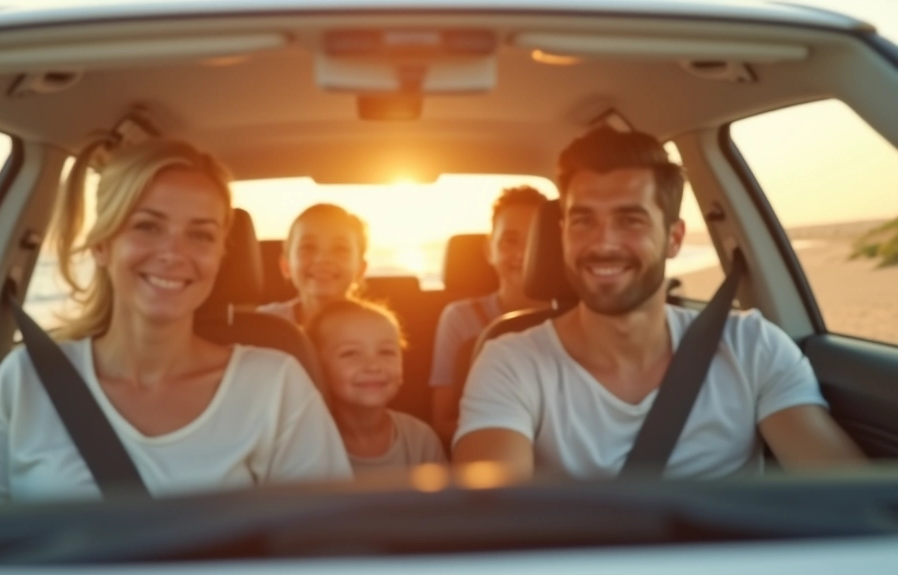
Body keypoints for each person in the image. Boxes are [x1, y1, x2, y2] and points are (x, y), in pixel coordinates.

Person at [452, 127, 866, 480]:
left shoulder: (752, 347)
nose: (604, 243)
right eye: (584, 221)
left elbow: (849, 499)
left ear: (674, 238)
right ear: (562, 234)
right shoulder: (510, 362)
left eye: (630, 220)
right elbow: (490, 519)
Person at [0, 139, 352, 503]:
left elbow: (330, 547)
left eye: (200, 235)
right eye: (148, 227)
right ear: (102, 246)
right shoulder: (26, 380)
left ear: (219, 257)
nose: (173, 254)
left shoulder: (275, 386)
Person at [429, 186, 548, 446]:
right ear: (489, 250)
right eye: (510, 240)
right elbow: (443, 421)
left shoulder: (582, 317)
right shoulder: (460, 318)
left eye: (535, 241)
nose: (522, 254)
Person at [307, 298, 446, 479]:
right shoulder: (306, 443)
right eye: (350, 353)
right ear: (317, 367)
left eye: (386, 352)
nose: (373, 366)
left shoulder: (420, 438)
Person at [258, 204, 368, 325]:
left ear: (361, 269)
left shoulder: (374, 328)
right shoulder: (265, 323)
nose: (323, 259)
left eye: (340, 249)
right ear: (286, 266)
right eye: (308, 247)